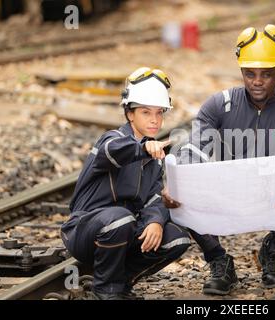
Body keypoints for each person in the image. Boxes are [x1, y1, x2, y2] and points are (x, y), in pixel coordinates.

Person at [163, 24, 275, 295]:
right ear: (241, 71)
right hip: (226, 194)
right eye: (250, 73)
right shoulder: (218, 106)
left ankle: (270, 253)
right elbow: (195, 150)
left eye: (266, 74)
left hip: (271, 198)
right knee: (182, 202)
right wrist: (178, 182)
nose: (257, 81)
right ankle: (220, 262)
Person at [61, 67, 191, 300]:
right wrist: (142, 148)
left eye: (159, 113)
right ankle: (105, 291)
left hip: (124, 229)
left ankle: (121, 284)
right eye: (145, 112)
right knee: (120, 217)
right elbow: (113, 151)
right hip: (84, 230)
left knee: (177, 237)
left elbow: (156, 198)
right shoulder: (112, 140)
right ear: (130, 114)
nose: (154, 119)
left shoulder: (154, 161)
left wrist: (155, 222)